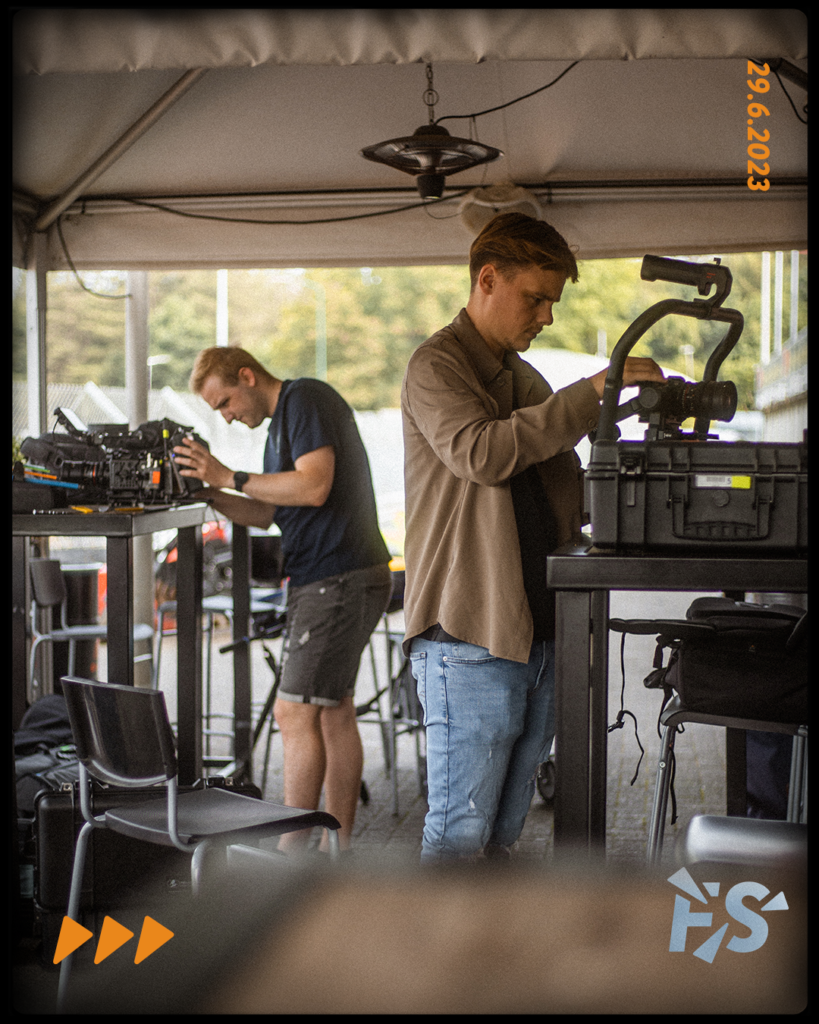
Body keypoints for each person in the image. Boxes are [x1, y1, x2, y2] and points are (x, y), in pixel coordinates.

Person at [401, 212, 665, 862]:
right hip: (470, 636)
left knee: (502, 835)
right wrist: (592, 391)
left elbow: (560, 477)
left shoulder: (519, 375)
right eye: (536, 298)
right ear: (487, 279)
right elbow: (483, 453)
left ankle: (488, 933)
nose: (546, 316)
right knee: (459, 837)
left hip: (538, 633)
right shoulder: (435, 364)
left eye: (553, 302)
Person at [173, 347, 392, 852]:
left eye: (225, 402)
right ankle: (336, 851)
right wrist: (209, 493)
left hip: (337, 577)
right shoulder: (280, 427)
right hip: (338, 576)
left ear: (247, 376)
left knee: (293, 714)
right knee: (333, 711)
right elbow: (271, 512)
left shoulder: (305, 399)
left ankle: (290, 857)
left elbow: (314, 486)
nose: (227, 416)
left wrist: (227, 475)